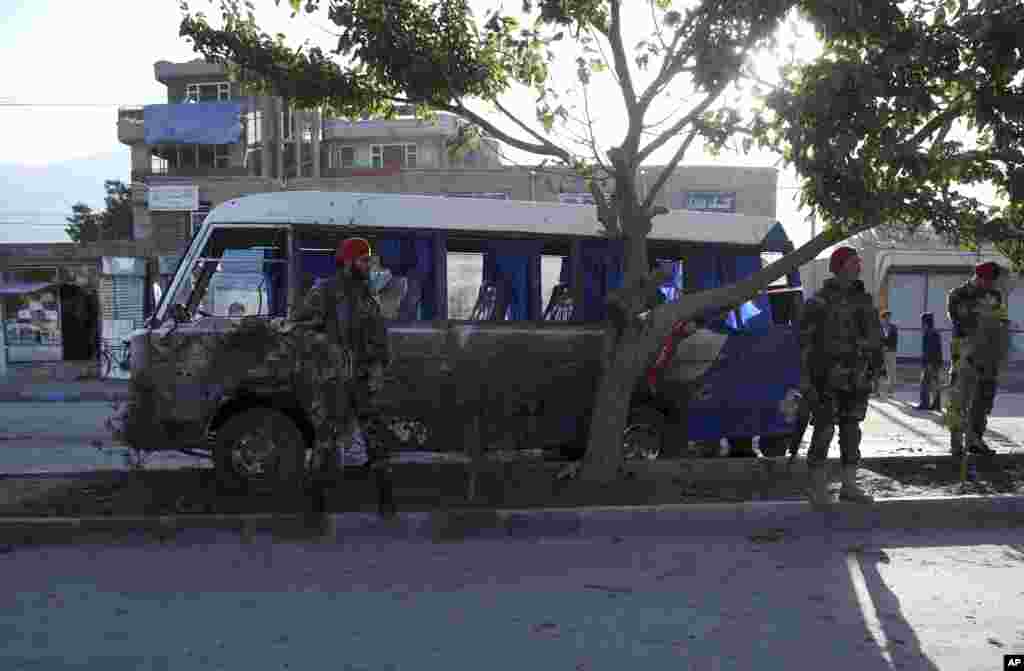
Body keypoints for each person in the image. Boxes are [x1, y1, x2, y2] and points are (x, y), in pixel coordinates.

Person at [294, 237, 395, 516]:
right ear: (349, 261)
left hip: (362, 380)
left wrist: (378, 366)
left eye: (368, 260)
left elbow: (379, 336)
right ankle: (315, 508)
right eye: (363, 260)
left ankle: (386, 504)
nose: (368, 265)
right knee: (325, 443)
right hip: (333, 382)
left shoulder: (366, 294)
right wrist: (328, 348)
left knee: (376, 440)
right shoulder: (325, 291)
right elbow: (299, 328)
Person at [799, 246, 883, 506]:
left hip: (857, 377)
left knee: (851, 431)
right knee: (824, 430)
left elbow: (876, 338)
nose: (859, 266)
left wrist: (876, 370)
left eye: (858, 262)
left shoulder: (864, 299)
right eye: (853, 262)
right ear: (839, 266)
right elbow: (803, 343)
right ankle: (817, 487)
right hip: (826, 377)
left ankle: (849, 486)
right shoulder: (820, 301)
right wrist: (806, 380)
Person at [944, 261, 1006, 457]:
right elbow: (961, 319)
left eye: (993, 281)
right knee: (959, 397)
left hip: (989, 352)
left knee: (984, 398)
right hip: (966, 351)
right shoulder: (958, 294)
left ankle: (975, 439)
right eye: (989, 280)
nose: (991, 284)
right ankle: (956, 441)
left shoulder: (995, 295)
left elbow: (1001, 320)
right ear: (979, 278)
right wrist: (984, 315)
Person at [916, 312, 943, 411]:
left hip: (930, 362)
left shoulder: (928, 333)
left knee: (925, 383)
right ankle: (936, 404)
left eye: (922, 322)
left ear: (925, 322)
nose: (921, 324)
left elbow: (929, 350)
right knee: (935, 383)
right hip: (936, 362)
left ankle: (925, 404)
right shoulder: (935, 332)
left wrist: (927, 363)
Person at [877, 310, 898, 400]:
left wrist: (888, 346)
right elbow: (877, 339)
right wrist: (882, 347)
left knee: (891, 372)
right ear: (882, 319)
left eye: (889, 318)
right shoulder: (879, 328)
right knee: (880, 372)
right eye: (886, 318)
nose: (887, 319)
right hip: (881, 352)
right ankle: (879, 391)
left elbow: (895, 340)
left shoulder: (894, 328)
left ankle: (891, 391)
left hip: (891, 352)